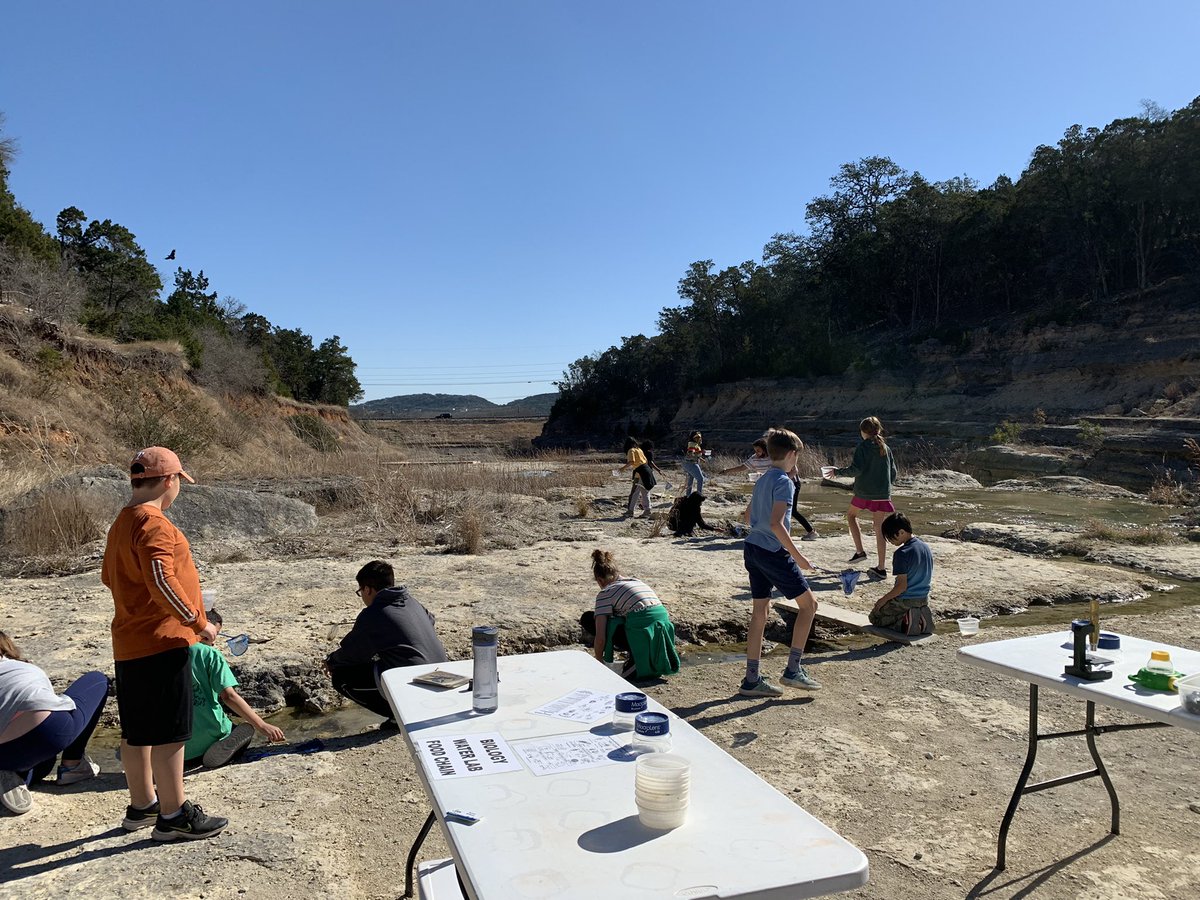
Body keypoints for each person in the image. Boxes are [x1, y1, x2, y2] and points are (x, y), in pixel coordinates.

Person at [101, 446, 228, 840]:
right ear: (170, 480)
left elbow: (109, 577)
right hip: (163, 640)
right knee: (171, 732)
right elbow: (161, 579)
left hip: (129, 641)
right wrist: (198, 623)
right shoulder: (154, 524)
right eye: (179, 482)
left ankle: (142, 806)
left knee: (137, 731)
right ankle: (173, 816)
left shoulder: (122, 522)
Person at [738, 427, 822, 697]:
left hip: (752, 548)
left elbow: (747, 516)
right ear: (792, 454)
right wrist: (799, 557)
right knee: (809, 606)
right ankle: (793, 670)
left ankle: (752, 679)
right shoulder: (784, 481)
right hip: (773, 552)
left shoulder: (762, 478)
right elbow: (776, 523)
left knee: (760, 613)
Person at [326, 561, 449, 727]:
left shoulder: (374, 613)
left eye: (360, 591)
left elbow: (353, 653)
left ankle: (399, 716)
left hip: (419, 686)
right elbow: (430, 620)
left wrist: (331, 661)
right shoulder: (412, 602)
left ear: (367, 589)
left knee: (341, 676)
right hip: (443, 679)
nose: (362, 596)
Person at [0, 632, 107, 816]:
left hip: (6, 749)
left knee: (45, 763)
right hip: (46, 728)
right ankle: (72, 764)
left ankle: (16, 775)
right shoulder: (22, 668)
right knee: (97, 680)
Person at [184, 610, 285, 769]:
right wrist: (262, 726)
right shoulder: (209, 654)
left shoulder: (164, 653)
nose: (213, 642)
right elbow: (229, 696)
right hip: (211, 736)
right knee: (244, 730)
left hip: (177, 750)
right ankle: (218, 744)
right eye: (214, 634)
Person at [589, 550, 680, 679]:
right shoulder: (636, 581)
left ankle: (636, 658)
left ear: (599, 580)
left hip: (643, 630)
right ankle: (638, 655)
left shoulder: (605, 593)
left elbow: (600, 638)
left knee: (588, 618)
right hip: (663, 630)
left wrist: (598, 663)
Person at [826, 416, 898, 579]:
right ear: (879, 430)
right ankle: (881, 568)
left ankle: (860, 552)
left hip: (864, 492)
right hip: (882, 494)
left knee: (851, 515)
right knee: (879, 528)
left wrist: (837, 472)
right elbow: (894, 473)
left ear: (862, 432)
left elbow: (856, 470)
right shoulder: (886, 448)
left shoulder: (863, 447)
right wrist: (886, 487)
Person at [722, 438, 817, 541]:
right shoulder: (755, 459)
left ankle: (811, 532)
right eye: (755, 451)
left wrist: (779, 482)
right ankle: (771, 533)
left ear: (765, 449)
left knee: (792, 510)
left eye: (758, 450)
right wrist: (726, 471)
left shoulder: (774, 458)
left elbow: (793, 471)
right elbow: (742, 467)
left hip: (791, 482)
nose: (757, 453)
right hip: (774, 484)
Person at [869, 513, 935, 635]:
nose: (890, 541)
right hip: (923, 598)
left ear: (901, 532)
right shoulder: (925, 547)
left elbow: (901, 587)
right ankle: (921, 618)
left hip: (906, 599)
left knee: (875, 618)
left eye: (891, 537)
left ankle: (905, 623)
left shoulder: (902, 553)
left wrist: (882, 600)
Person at [618, 437, 658, 518]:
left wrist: (622, 468)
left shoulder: (631, 450)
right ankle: (647, 510)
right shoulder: (639, 450)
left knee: (635, 493)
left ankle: (630, 511)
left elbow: (631, 461)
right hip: (647, 471)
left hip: (641, 473)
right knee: (645, 492)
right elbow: (646, 461)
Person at [682, 431, 706, 496]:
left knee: (690, 481)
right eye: (697, 437)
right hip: (691, 463)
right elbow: (690, 454)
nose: (699, 438)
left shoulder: (695, 444)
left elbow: (695, 454)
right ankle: (699, 496)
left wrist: (701, 459)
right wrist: (701, 451)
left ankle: (688, 496)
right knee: (700, 479)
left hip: (689, 463)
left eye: (699, 437)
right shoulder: (692, 444)